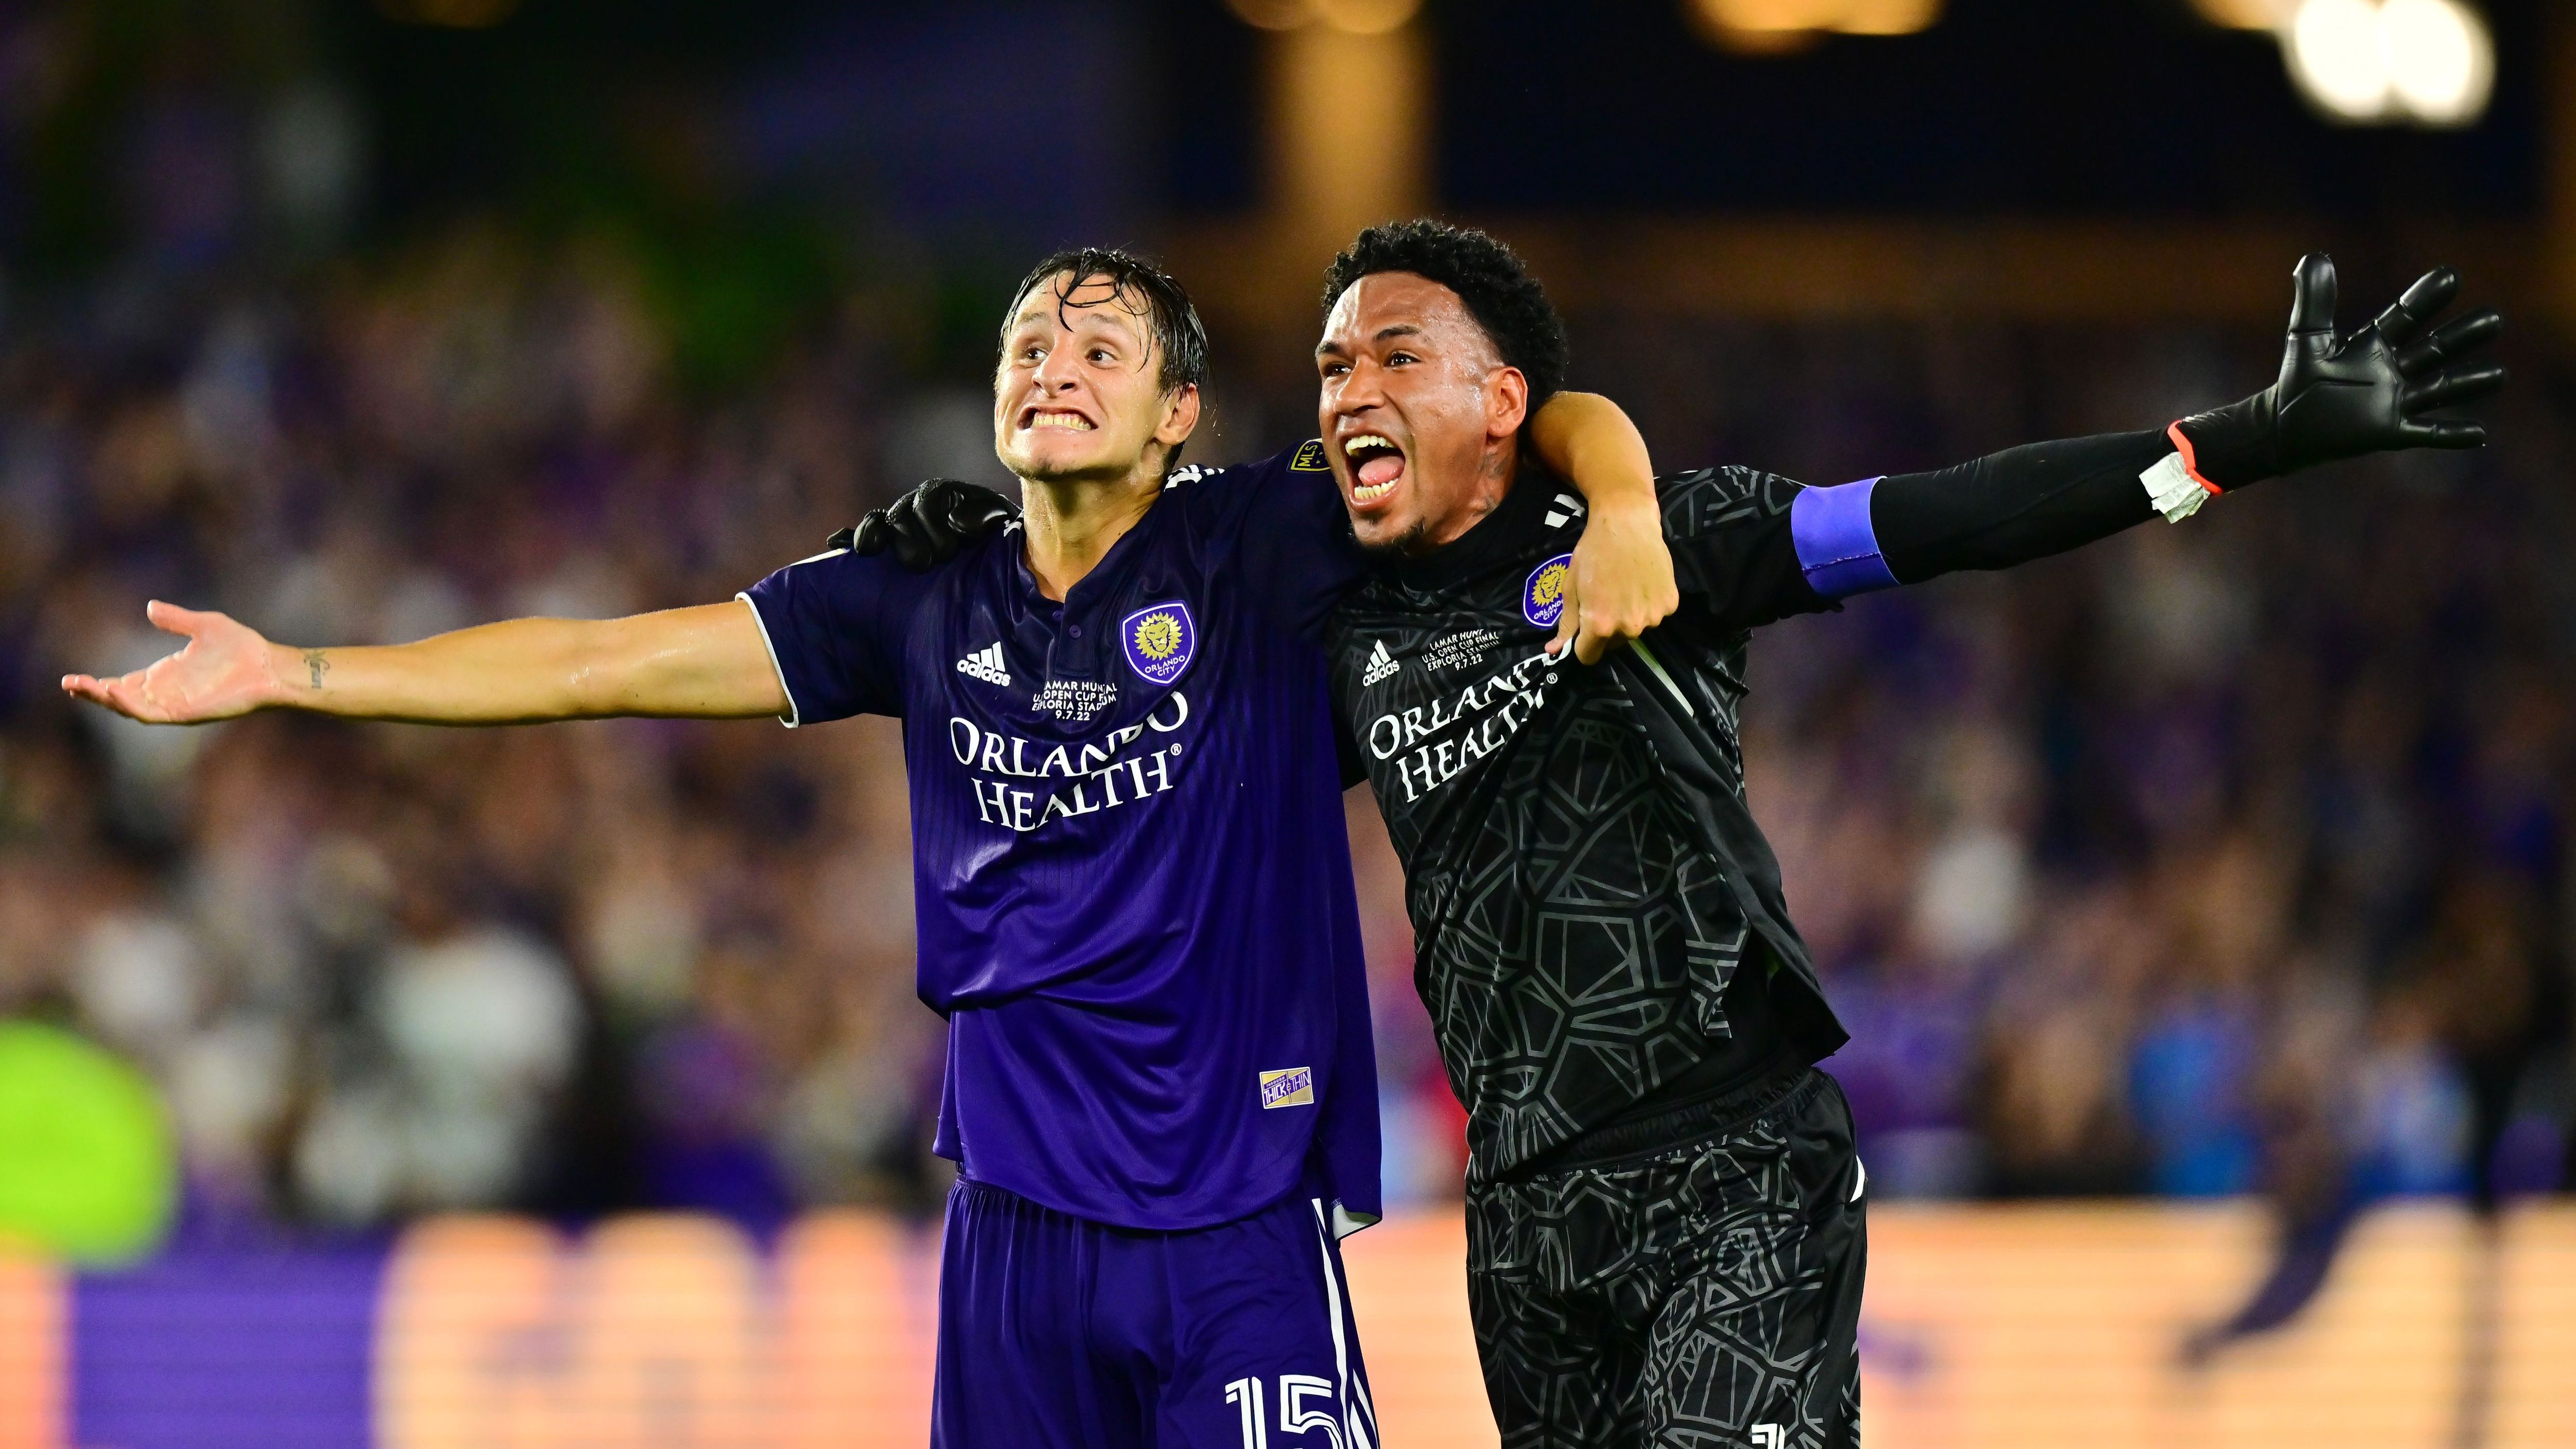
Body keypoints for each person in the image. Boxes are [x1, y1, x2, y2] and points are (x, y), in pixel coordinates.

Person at [867, 224, 2504, 1448]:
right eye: (1332, 368)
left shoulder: (1663, 541)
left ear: (1506, 400)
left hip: (1730, 1162)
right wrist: (973, 558)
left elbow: (1947, 517)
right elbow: (1116, 687)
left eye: (1394, 359)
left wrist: (2234, 447)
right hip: (1522, 1223)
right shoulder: (1331, 619)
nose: (1350, 391)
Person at [60, 246, 1676, 1449]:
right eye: (1029, 338)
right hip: (1013, 1240)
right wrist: (295, 674)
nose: (1053, 359)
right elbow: (592, 663)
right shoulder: (908, 597)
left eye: (1101, 344)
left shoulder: (1261, 541)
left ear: (1181, 412)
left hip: (1237, 1224)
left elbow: (1552, 423)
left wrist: (1625, 516)